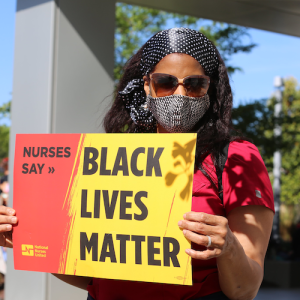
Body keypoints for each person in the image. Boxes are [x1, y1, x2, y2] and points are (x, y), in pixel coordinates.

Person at [0, 28, 274, 300]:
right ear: (147, 86)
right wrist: (29, 238)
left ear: (209, 90)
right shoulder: (118, 159)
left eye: (194, 84)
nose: (179, 94)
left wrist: (228, 247)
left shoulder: (237, 158)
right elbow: (94, 279)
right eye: (165, 82)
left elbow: (245, 290)